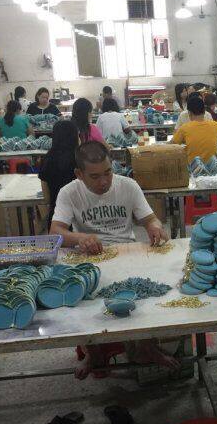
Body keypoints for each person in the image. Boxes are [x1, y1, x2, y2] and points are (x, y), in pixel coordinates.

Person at [48, 140, 177, 380]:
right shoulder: (69, 192)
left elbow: (150, 219)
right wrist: (80, 238)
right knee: (79, 298)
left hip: (125, 250)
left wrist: (155, 227)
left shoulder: (128, 185)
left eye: (108, 172)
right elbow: (55, 232)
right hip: (89, 256)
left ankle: (146, 347)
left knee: (150, 292)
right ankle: (94, 353)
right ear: (79, 174)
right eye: (95, 176)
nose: (104, 181)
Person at [38, 120, 79, 225]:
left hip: (57, 216)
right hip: (80, 216)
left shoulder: (48, 159)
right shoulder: (81, 159)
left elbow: (47, 197)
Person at [171, 93, 217, 163]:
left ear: (189, 113)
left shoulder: (184, 128)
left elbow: (172, 145)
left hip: (193, 167)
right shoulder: (216, 125)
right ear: (204, 111)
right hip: (212, 166)